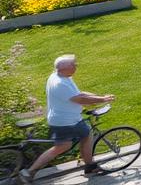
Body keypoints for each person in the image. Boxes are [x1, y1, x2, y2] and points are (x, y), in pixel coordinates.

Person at [16, 54, 115, 182]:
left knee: (74, 140)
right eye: (74, 65)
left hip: (63, 118)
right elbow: (80, 99)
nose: (76, 66)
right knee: (69, 143)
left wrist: (98, 97)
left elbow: (78, 94)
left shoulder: (61, 76)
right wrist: (103, 99)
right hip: (67, 121)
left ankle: (88, 164)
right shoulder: (60, 83)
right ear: (64, 68)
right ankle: (30, 172)